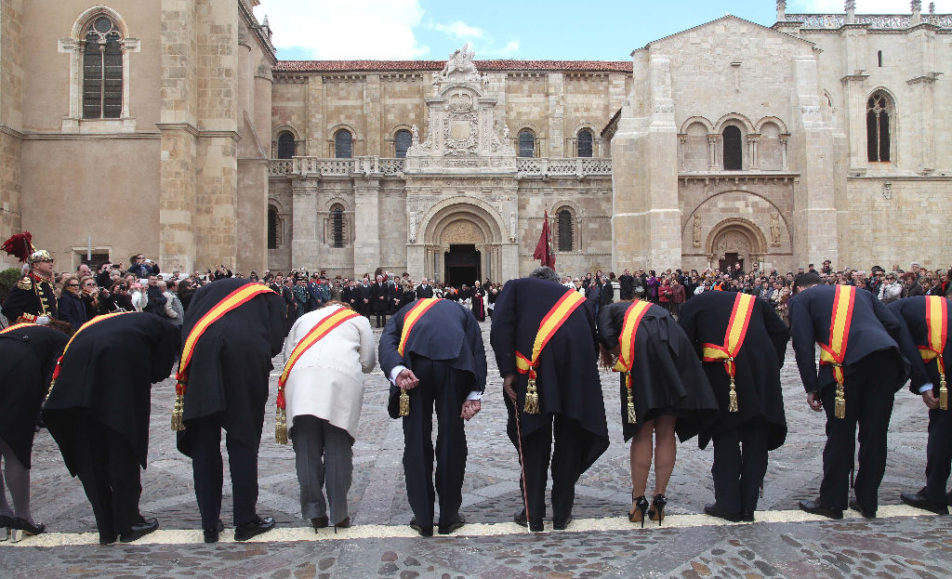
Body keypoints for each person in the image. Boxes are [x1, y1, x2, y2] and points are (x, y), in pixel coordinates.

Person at [788, 272, 928, 519]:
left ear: (798, 288)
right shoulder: (860, 292)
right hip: (885, 361)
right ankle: (868, 500)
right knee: (875, 434)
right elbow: (893, 324)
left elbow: (802, 342)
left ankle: (832, 501)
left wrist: (811, 386)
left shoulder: (801, 300)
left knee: (840, 434)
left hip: (844, 370)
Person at [42, 312, 179, 544]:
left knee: (89, 460)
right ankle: (129, 523)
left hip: (73, 395)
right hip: (114, 395)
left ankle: (106, 527)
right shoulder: (168, 331)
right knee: (122, 454)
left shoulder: (103, 324)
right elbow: (159, 370)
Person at [490, 267, 609, 532]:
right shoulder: (579, 301)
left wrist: (508, 372)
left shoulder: (517, 287)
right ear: (557, 283)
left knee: (533, 442)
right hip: (575, 381)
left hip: (532, 379)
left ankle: (533, 514)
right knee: (569, 441)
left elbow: (500, 327)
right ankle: (562, 513)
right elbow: (592, 341)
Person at [173, 278, 286, 543]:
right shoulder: (267, 296)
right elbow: (275, 342)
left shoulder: (202, 295)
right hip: (245, 364)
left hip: (200, 365)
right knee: (243, 443)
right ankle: (245, 520)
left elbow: (185, 332)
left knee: (204, 446)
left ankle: (209, 524)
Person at [597, 299, 716, 526]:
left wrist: (618, 355)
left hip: (641, 352)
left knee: (642, 431)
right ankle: (659, 498)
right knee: (666, 430)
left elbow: (607, 335)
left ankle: (638, 501)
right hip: (674, 351)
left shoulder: (607, 309)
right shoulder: (655, 310)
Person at [378, 297, 486, 537]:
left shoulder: (405, 311)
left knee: (415, 439)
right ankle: (448, 517)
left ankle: (424, 518)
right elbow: (477, 348)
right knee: (451, 438)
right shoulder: (460, 310)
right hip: (454, 366)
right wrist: (474, 392)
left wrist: (397, 370)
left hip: (415, 367)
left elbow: (386, 341)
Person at [679, 290, 789, 522]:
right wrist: (771, 363)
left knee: (726, 435)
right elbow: (780, 331)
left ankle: (728, 504)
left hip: (722, 373)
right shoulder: (755, 302)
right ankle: (749, 506)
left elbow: (684, 346)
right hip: (760, 375)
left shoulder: (692, 306)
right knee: (756, 434)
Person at [279, 300, 376, 530]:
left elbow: (287, 357)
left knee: (306, 451)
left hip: (300, 385)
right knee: (337, 449)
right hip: (340, 385)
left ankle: (314, 511)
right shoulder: (358, 320)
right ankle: (339, 514)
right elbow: (368, 361)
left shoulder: (303, 319)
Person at [0, 320, 71, 541]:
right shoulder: (63, 341)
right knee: (15, 448)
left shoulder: (18, 330)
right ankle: (23, 518)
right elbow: (55, 379)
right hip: (18, 369)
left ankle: (2, 515)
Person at [889, 296, 952, 514]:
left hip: (944, 368)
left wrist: (924, 384)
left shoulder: (891, 312)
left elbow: (907, 348)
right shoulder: (931, 304)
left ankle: (934, 495)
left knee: (942, 430)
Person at [2, 248, 58, 325]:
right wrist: (35, 319)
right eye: (46, 261)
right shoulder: (26, 283)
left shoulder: (47, 283)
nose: (51, 263)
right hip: (31, 330)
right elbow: (9, 309)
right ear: (36, 265)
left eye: (51, 261)